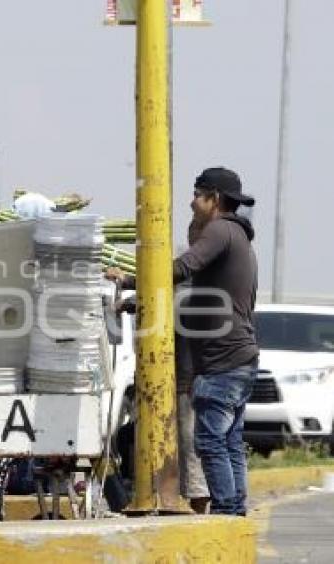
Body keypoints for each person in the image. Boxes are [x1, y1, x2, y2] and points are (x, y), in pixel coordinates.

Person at [108, 166, 258, 516]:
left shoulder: (220, 229)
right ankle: (234, 511)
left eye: (196, 194)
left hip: (223, 361)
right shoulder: (240, 238)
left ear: (214, 199)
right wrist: (133, 297)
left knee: (209, 442)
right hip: (239, 358)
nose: (191, 203)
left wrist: (131, 278)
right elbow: (185, 300)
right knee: (230, 442)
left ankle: (225, 511)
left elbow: (178, 269)